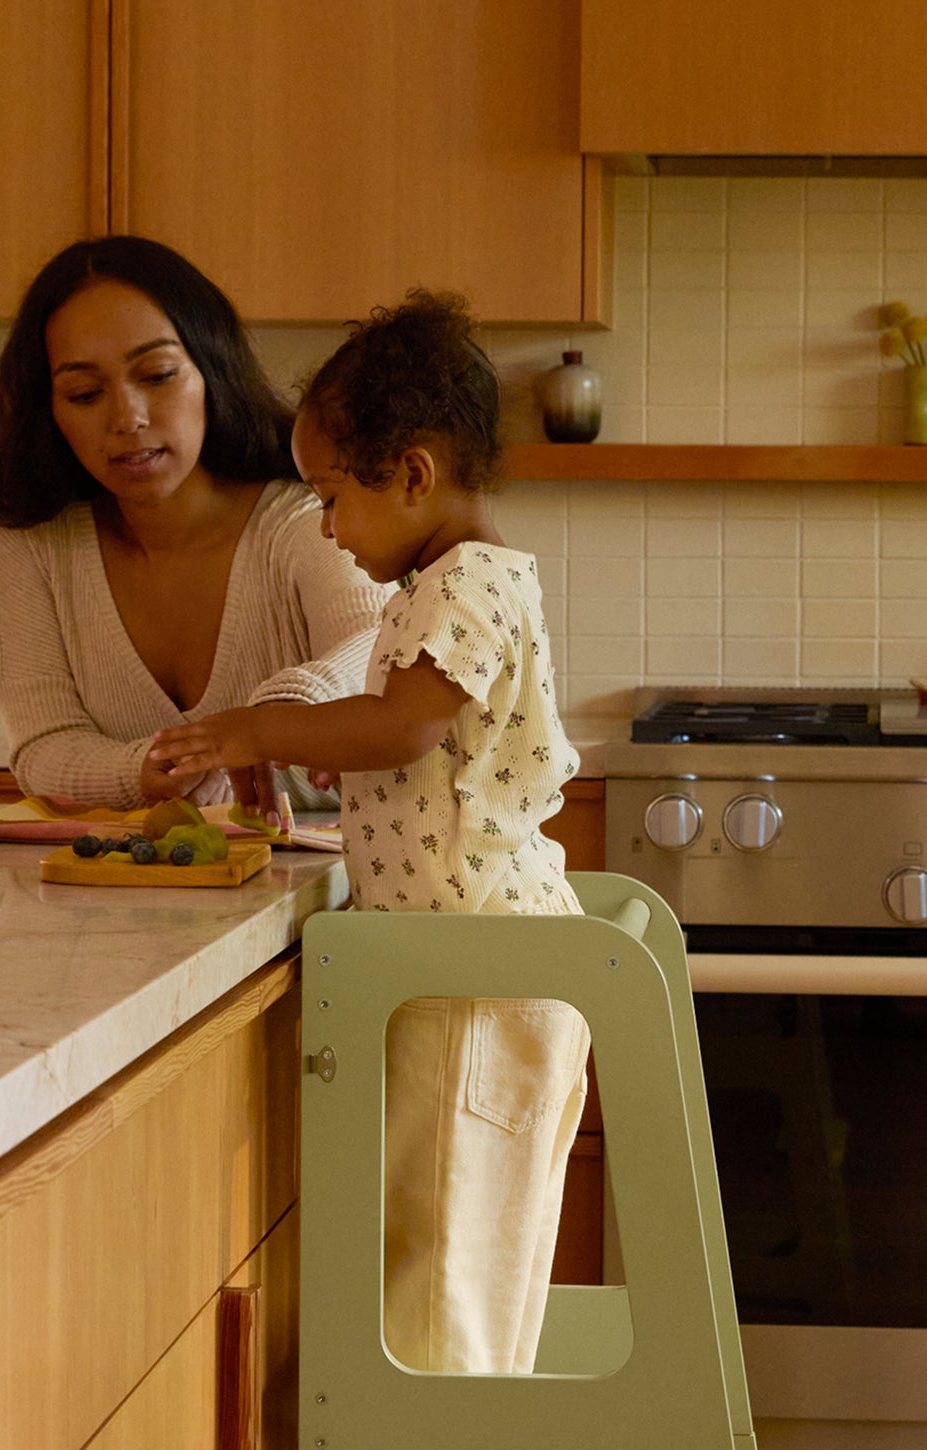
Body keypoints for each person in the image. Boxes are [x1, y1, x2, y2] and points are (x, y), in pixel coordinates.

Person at [149, 290, 591, 1374]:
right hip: (460, 966)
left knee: (445, 1279)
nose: (329, 530)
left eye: (332, 497)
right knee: (446, 1260)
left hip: (476, 977)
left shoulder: (467, 583)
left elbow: (400, 729)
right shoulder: (443, 584)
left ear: (411, 474)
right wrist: (286, 757)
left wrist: (253, 720)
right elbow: (415, 758)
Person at [0, 236, 385, 815]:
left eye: (158, 375)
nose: (127, 418)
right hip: (118, 896)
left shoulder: (306, 516)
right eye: (85, 393)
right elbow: (41, 748)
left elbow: (378, 649)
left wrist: (272, 723)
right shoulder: (30, 536)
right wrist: (151, 770)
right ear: (50, 409)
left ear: (210, 370)